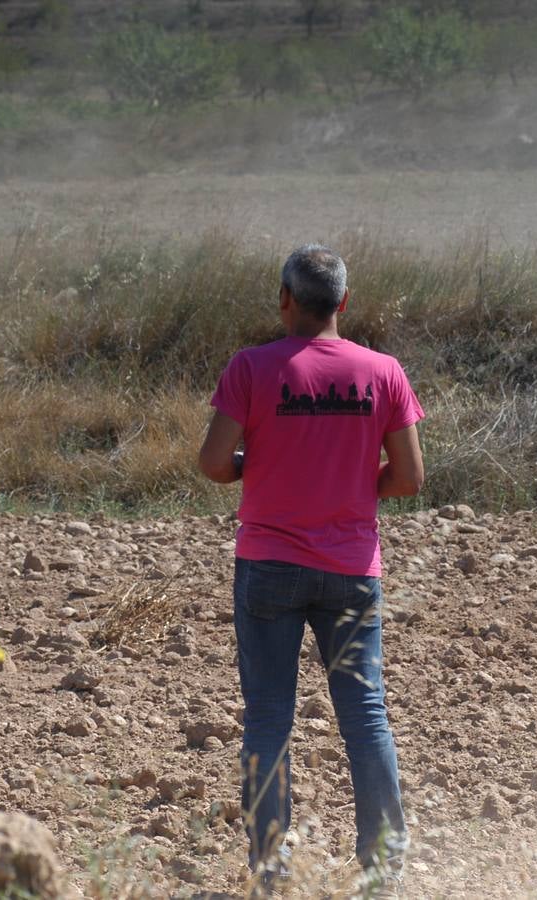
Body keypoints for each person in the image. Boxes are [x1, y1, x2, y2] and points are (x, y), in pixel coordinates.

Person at [198, 245, 425, 896]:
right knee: (365, 716)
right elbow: (408, 478)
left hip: (268, 564)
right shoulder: (382, 372)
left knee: (268, 718)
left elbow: (213, 463)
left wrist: (262, 468)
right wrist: (347, 485)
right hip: (352, 569)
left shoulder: (251, 368)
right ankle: (382, 869)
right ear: (343, 304)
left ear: (284, 300)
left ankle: (270, 872)